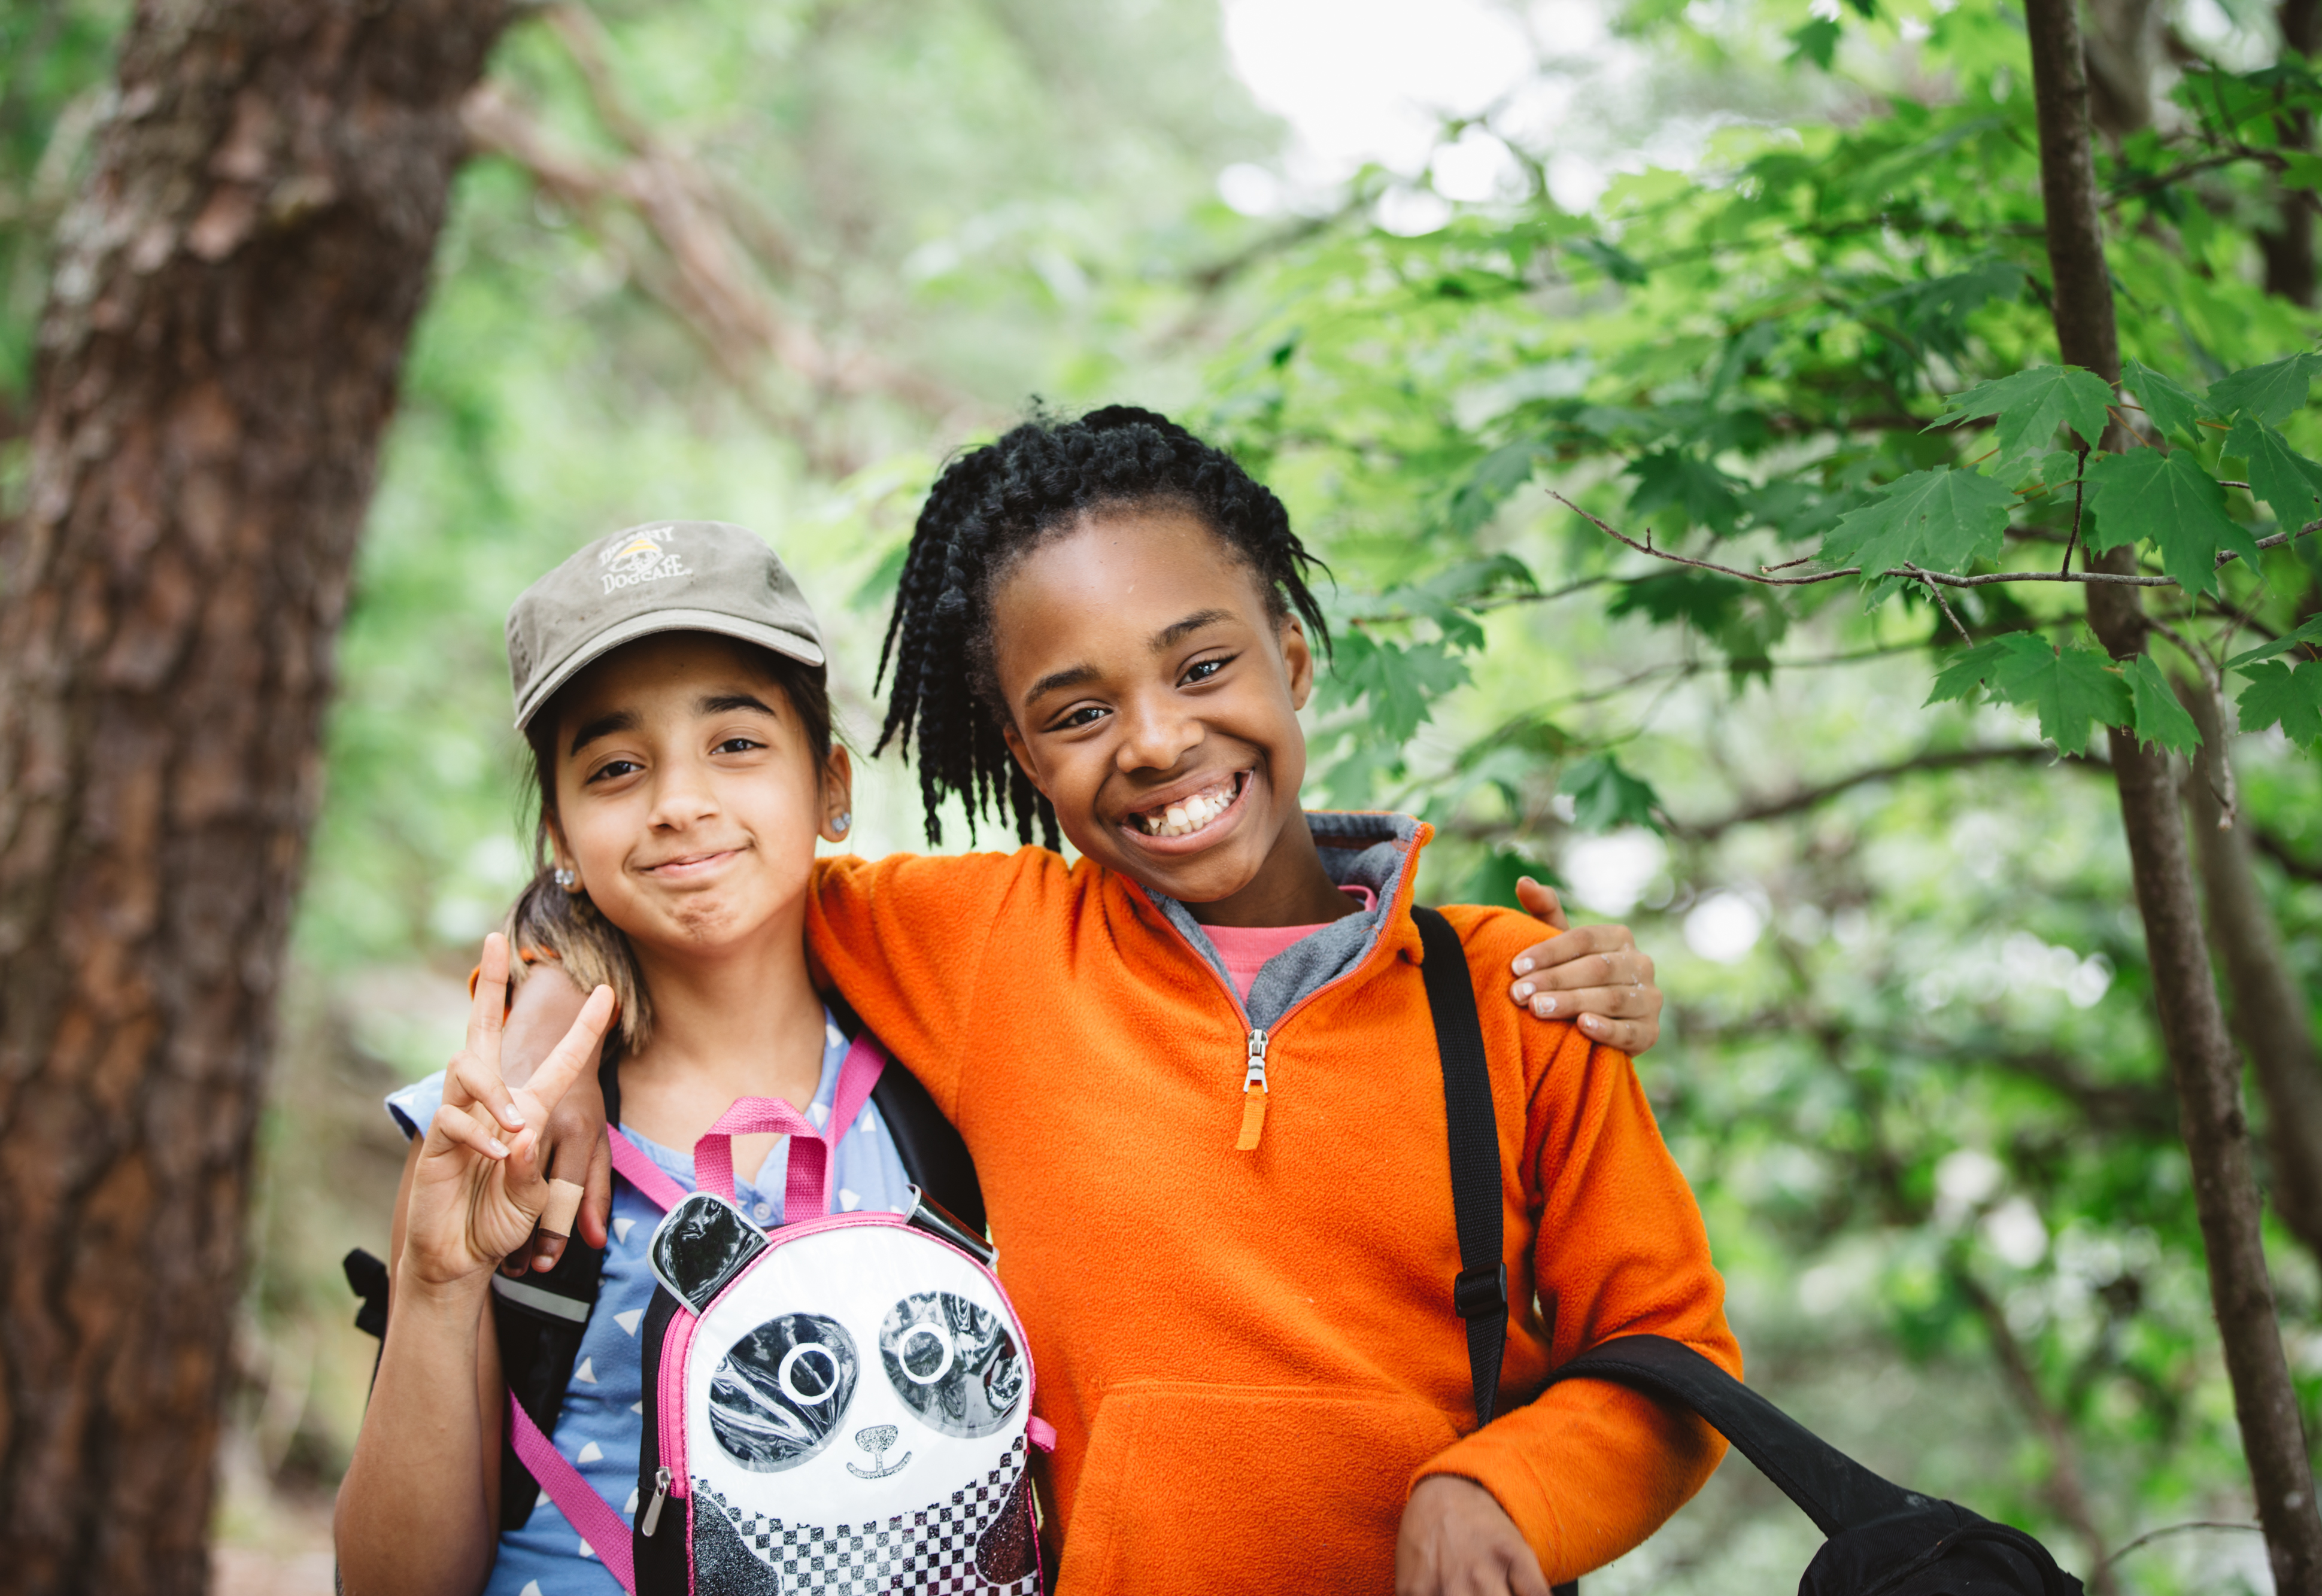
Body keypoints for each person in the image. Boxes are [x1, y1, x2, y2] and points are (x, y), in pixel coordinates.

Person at [511, 408, 1735, 1594]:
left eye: (1203, 665)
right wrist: (543, 1001)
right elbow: (694, 872)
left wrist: (1506, 1486)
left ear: (1293, 659)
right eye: (1079, 712)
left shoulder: (1511, 996)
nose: (1154, 740)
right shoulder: (982, 944)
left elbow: (1673, 1358)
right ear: (1021, 755)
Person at [334, 524, 909, 1596]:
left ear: (831, 784)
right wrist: (438, 1283)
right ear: (559, 831)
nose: (680, 802)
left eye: (736, 744)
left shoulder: (940, 1084)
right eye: (616, 768)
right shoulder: (497, 1130)